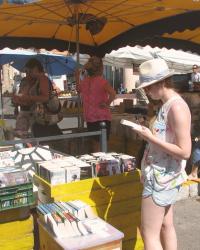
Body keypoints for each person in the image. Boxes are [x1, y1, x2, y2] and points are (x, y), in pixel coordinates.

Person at [135, 59, 191, 250]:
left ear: (160, 83)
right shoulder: (168, 105)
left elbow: (185, 151)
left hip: (161, 178)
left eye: (148, 88)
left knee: (149, 234)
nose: (148, 93)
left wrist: (151, 138)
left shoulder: (176, 107)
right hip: (165, 176)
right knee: (166, 226)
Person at [13, 58, 62, 138]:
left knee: (47, 139)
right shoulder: (37, 80)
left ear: (35, 68)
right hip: (39, 117)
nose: (28, 73)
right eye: (27, 71)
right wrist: (21, 100)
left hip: (44, 116)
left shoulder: (43, 79)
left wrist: (28, 97)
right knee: (44, 137)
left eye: (30, 71)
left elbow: (45, 98)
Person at [77, 56, 116, 152]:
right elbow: (113, 94)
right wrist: (107, 104)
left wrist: (77, 74)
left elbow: (78, 90)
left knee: (95, 144)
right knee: (103, 144)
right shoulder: (102, 81)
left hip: (90, 117)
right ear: (101, 68)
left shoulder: (84, 82)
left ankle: (98, 164)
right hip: (102, 116)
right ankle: (103, 164)